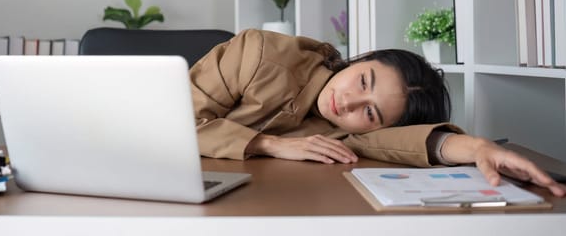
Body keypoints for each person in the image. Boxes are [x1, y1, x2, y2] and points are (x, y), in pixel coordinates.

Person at [190, 29, 566, 197]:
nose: (349, 102)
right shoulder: (260, 53)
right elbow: (175, 122)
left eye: (370, 113)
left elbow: (408, 142)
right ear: (362, 59)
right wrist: (268, 144)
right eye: (363, 81)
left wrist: (479, 148)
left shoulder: (345, 132)